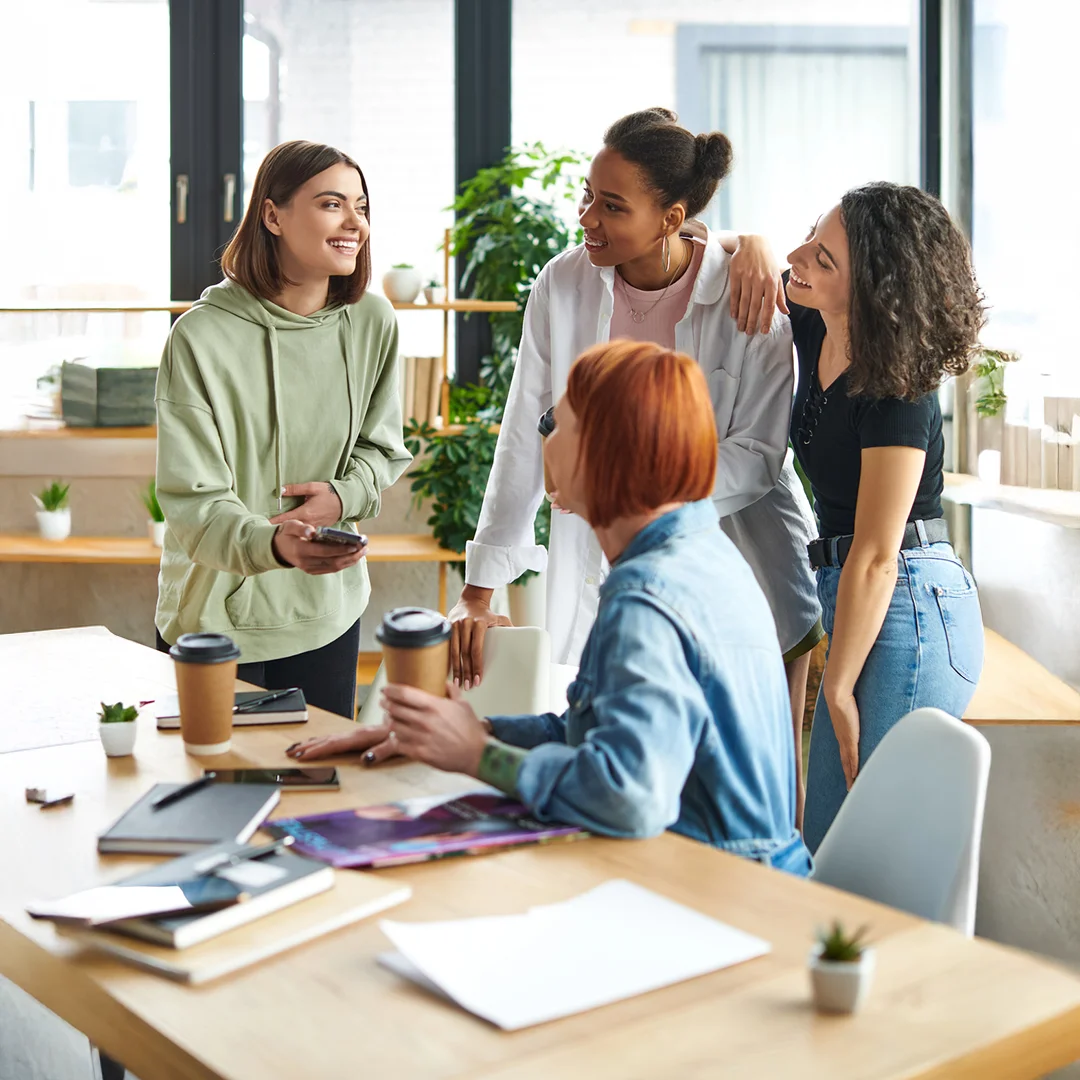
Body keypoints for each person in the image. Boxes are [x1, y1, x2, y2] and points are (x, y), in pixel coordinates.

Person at [287, 341, 812, 876]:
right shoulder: (700, 551)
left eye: (557, 421)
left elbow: (630, 797)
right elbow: (604, 736)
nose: (544, 437)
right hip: (743, 873)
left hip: (725, 894)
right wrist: (468, 733)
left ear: (601, 451)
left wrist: (478, 757)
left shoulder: (648, 594)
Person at [449, 108, 821, 823]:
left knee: (741, 790)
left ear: (671, 217)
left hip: (737, 556)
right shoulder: (564, 283)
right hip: (614, 540)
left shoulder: (748, 294)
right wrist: (481, 587)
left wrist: (637, 489)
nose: (587, 216)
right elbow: (526, 432)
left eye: (612, 205)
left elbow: (759, 456)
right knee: (608, 734)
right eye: (588, 196)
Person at [154, 140, 411, 719]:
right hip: (214, 616)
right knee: (212, 791)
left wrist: (342, 497)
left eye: (362, 207)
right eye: (331, 204)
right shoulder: (199, 338)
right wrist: (272, 542)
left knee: (312, 796)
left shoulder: (374, 321)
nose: (354, 224)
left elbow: (383, 447)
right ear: (272, 216)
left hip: (326, 612)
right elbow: (192, 499)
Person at [786, 182, 986, 852]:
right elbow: (725, 251)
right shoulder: (816, 321)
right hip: (860, 591)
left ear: (871, 287)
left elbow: (876, 551)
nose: (798, 258)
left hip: (906, 602)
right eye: (810, 239)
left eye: (823, 258)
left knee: (861, 849)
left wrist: (835, 684)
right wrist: (751, 244)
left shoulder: (900, 386)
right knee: (830, 838)